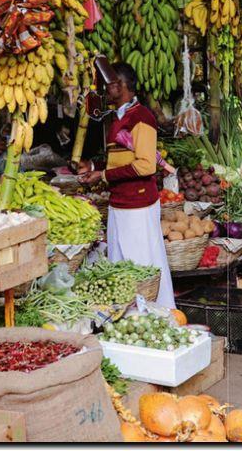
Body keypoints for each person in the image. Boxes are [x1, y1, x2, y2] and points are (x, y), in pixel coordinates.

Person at [78, 63, 175, 308]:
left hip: (138, 204)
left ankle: (153, 313)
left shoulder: (142, 117)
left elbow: (145, 166)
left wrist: (104, 176)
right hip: (120, 203)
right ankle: (127, 315)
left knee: (141, 264)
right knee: (121, 262)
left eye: (108, 85)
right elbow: (119, 157)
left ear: (120, 85)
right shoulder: (118, 118)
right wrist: (93, 169)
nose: (104, 91)